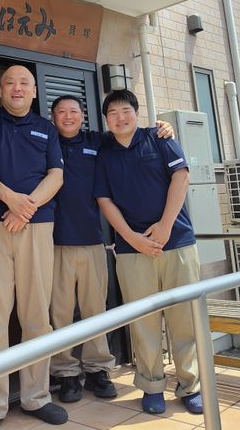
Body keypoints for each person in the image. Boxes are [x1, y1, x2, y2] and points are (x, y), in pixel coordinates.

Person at [49, 95, 173, 403]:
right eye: (61, 112)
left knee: (95, 309)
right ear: (52, 117)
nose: (68, 117)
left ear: (84, 116)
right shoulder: (44, 141)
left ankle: (97, 369)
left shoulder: (98, 141)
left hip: (92, 239)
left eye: (74, 111)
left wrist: (163, 129)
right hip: (54, 242)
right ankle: (65, 372)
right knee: (60, 311)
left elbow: (127, 133)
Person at [0, 65, 67, 429]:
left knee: (37, 315)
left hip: (36, 226)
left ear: (34, 91)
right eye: (10, 82)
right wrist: (11, 199)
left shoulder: (46, 129)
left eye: (24, 83)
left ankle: (36, 397)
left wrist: (26, 208)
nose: (17, 88)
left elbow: (56, 175)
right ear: (0, 90)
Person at [94, 89, 203, 415]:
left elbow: (181, 177)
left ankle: (191, 385)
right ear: (106, 120)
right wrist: (130, 237)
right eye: (112, 113)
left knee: (185, 319)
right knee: (144, 323)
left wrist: (166, 226)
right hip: (132, 250)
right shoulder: (105, 153)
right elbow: (104, 199)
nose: (120, 117)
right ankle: (152, 385)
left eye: (125, 110)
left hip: (177, 242)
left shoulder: (159, 138)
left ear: (136, 112)